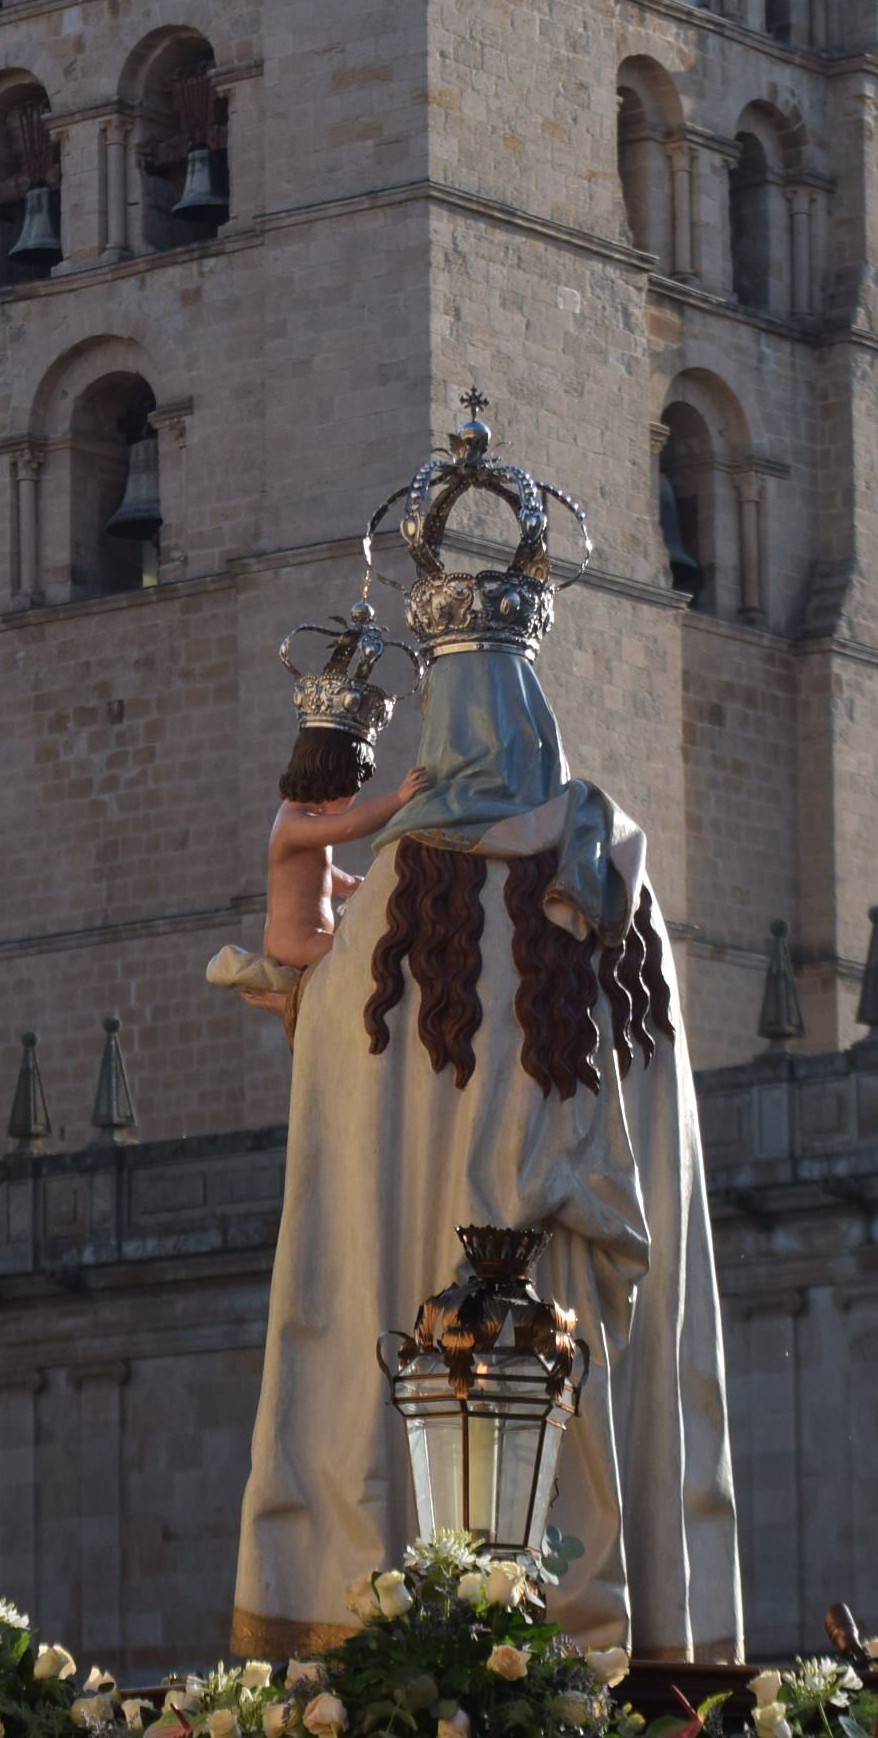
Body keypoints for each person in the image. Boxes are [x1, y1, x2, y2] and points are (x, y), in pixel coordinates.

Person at [229, 408, 741, 1662]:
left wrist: (303, 837)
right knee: (566, 1483)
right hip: (565, 1287)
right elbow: (653, 1133)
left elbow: (299, 985)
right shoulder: (614, 880)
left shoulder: (395, 900)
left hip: (416, 1313)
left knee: (387, 1407)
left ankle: (378, 1620)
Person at [208, 606, 420, 1011]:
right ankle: (281, 1002)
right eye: (351, 788)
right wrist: (398, 799)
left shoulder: (304, 820)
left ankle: (288, 1003)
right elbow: (350, 827)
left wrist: (353, 884)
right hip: (297, 945)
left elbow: (317, 875)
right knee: (376, 961)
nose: (353, 798)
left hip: (310, 939)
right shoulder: (295, 824)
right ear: (330, 777)